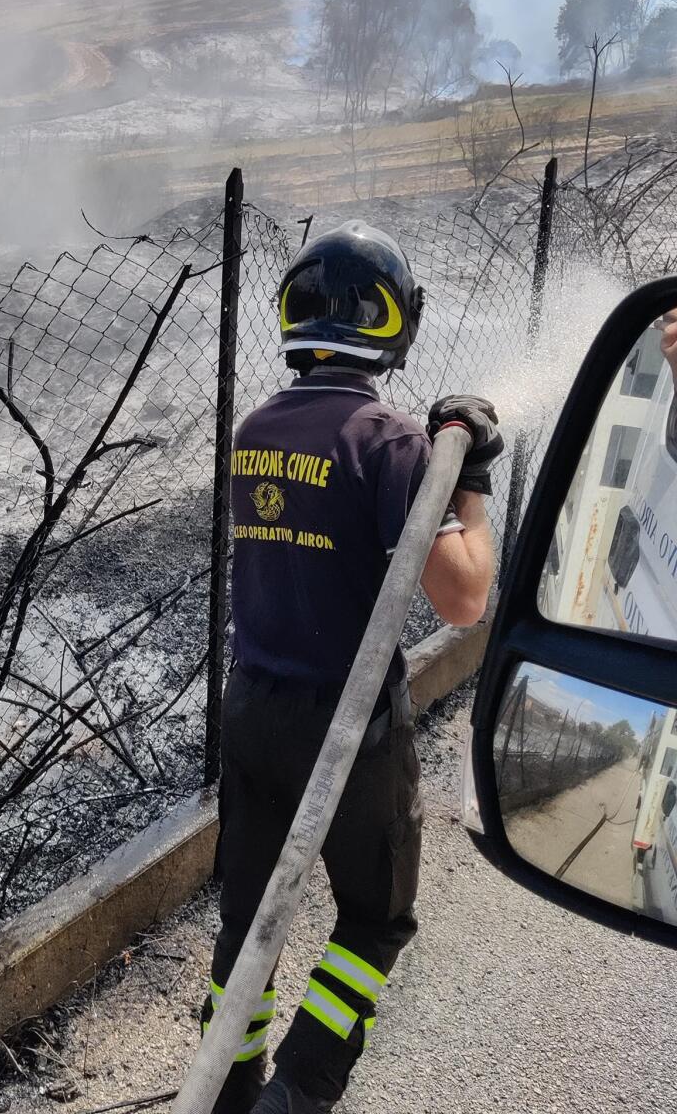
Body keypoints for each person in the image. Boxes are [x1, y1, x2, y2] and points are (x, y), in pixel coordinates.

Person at [201, 221, 503, 1114]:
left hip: (251, 709)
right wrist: (472, 481)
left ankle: (227, 1090)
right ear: (393, 323)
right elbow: (462, 600)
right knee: (375, 920)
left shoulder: (256, 428)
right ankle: (297, 1092)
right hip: (347, 725)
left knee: (249, 924)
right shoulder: (392, 442)